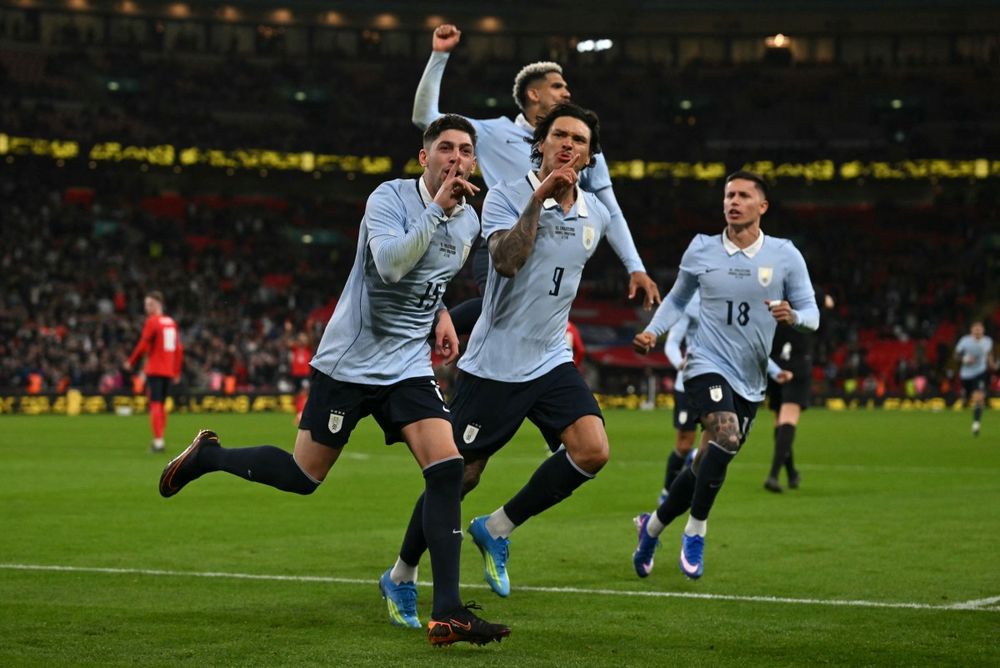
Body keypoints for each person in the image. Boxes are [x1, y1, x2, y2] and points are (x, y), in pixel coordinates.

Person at [156, 115, 509, 647]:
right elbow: (390, 266)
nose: (456, 158)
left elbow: (431, 278)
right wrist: (437, 210)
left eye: (465, 150)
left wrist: (438, 315)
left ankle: (448, 611)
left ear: (475, 162)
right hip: (351, 362)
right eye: (445, 149)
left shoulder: (470, 222)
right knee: (304, 476)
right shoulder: (389, 199)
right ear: (425, 158)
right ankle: (208, 457)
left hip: (407, 366)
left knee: (448, 468)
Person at [382, 103, 620, 613]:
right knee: (459, 476)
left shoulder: (595, 214)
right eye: (558, 135)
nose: (566, 145)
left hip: (552, 358)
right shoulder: (505, 198)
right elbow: (508, 264)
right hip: (493, 364)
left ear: (588, 154)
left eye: (578, 140)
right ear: (540, 143)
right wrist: (539, 198)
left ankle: (497, 528)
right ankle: (401, 572)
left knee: (592, 450)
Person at [630, 170, 819, 580]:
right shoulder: (701, 249)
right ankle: (695, 532)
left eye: (744, 195)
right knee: (726, 435)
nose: (733, 201)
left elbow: (813, 316)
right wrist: (652, 331)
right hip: (706, 363)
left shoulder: (785, 255)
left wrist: (795, 316)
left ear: (762, 206)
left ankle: (653, 527)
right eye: (729, 195)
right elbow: (678, 299)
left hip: (751, 377)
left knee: (703, 465)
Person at [412, 23, 659, 335]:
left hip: (556, 247)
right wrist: (439, 55)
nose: (567, 91)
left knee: (525, 327)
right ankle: (428, 327)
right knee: (504, 311)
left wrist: (635, 266)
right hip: (505, 239)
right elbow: (425, 117)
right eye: (557, 86)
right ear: (533, 94)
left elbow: (612, 210)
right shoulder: (494, 132)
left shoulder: (582, 149)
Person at [763, 291, 834, 492]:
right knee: (788, 420)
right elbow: (826, 303)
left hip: (775, 365)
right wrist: (826, 304)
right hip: (797, 366)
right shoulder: (806, 297)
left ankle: (791, 473)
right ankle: (773, 475)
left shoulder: (773, 296)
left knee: (779, 421)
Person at [657, 292, 702, 506]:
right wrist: (679, 362)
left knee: (720, 438)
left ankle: (697, 486)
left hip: (717, 382)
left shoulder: (729, 296)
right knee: (684, 443)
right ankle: (667, 492)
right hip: (688, 384)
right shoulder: (692, 301)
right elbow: (672, 342)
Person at [124, 290, 183, 453]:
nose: (146, 308)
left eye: (149, 304)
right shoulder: (171, 322)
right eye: (146, 304)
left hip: (155, 369)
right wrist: (176, 370)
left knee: (155, 404)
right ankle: (160, 438)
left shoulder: (153, 321)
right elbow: (178, 349)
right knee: (162, 405)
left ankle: (158, 441)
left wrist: (131, 361)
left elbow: (143, 344)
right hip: (168, 371)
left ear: (158, 304)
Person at [954, 321, 995, 437]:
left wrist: (992, 363)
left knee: (978, 397)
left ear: (983, 330)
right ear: (971, 331)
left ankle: (976, 424)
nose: (977, 331)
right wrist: (964, 359)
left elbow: (989, 354)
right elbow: (956, 355)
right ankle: (965, 397)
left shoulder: (988, 341)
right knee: (967, 399)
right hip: (966, 375)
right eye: (975, 329)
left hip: (980, 372)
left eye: (979, 329)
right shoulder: (965, 341)